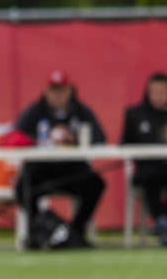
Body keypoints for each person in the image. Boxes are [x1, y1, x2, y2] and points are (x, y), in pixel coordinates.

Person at [13, 70, 107, 249]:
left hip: (72, 170)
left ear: (70, 91)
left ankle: (76, 231)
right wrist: (45, 139)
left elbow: (99, 137)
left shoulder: (81, 111)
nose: (57, 95)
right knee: (22, 188)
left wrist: (74, 138)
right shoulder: (35, 111)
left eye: (61, 90)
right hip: (42, 170)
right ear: (46, 91)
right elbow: (18, 135)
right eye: (53, 90)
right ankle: (38, 230)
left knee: (96, 185)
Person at [121, 71, 167, 247]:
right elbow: (124, 144)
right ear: (148, 93)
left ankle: (162, 220)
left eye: (163, 92)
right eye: (155, 92)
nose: (159, 97)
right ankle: (163, 222)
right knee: (150, 177)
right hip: (147, 169)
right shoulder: (135, 114)